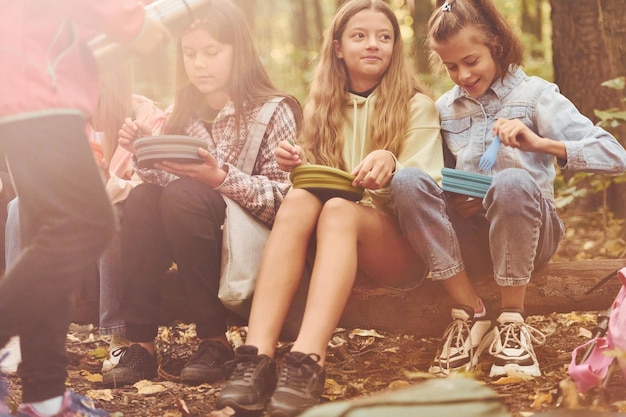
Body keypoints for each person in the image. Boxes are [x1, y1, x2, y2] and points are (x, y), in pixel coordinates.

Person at [215, 1, 443, 416]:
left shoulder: (417, 107)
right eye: (359, 35)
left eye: (384, 36)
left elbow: (428, 193)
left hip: (399, 248)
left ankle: (307, 360)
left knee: (338, 210)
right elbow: (315, 187)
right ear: (338, 48)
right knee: (302, 197)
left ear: (395, 47)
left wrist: (392, 166)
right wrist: (296, 166)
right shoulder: (322, 106)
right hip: (334, 245)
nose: (373, 44)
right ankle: (256, 356)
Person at [390, 0, 626, 379]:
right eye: (451, 66)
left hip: (532, 235)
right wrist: (456, 196)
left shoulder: (536, 95)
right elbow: (436, 183)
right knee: (406, 178)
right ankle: (470, 313)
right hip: (472, 238)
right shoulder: (445, 108)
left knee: (512, 181)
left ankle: (512, 321)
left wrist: (540, 144)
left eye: (471, 61)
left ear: (496, 46)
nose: (463, 74)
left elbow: (615, 154)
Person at [102, 0, 303, 388]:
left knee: (186, 196)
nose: (199, 64)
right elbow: (168, 190)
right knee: (143, 199)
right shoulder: (182, 111)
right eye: (190, 53)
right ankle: (141, 344)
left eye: (212, 52)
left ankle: (215, 340)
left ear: (238, 51)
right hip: (190, 231)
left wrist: (219, 178)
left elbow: (285, 201)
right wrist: (147, 151)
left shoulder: (274, 109)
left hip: (249, 243)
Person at [0, 1, 170, 416]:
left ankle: (45, 397)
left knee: (51, 235)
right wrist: (134, 20)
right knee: (91, 223)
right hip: (42, 89)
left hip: (29, 87)